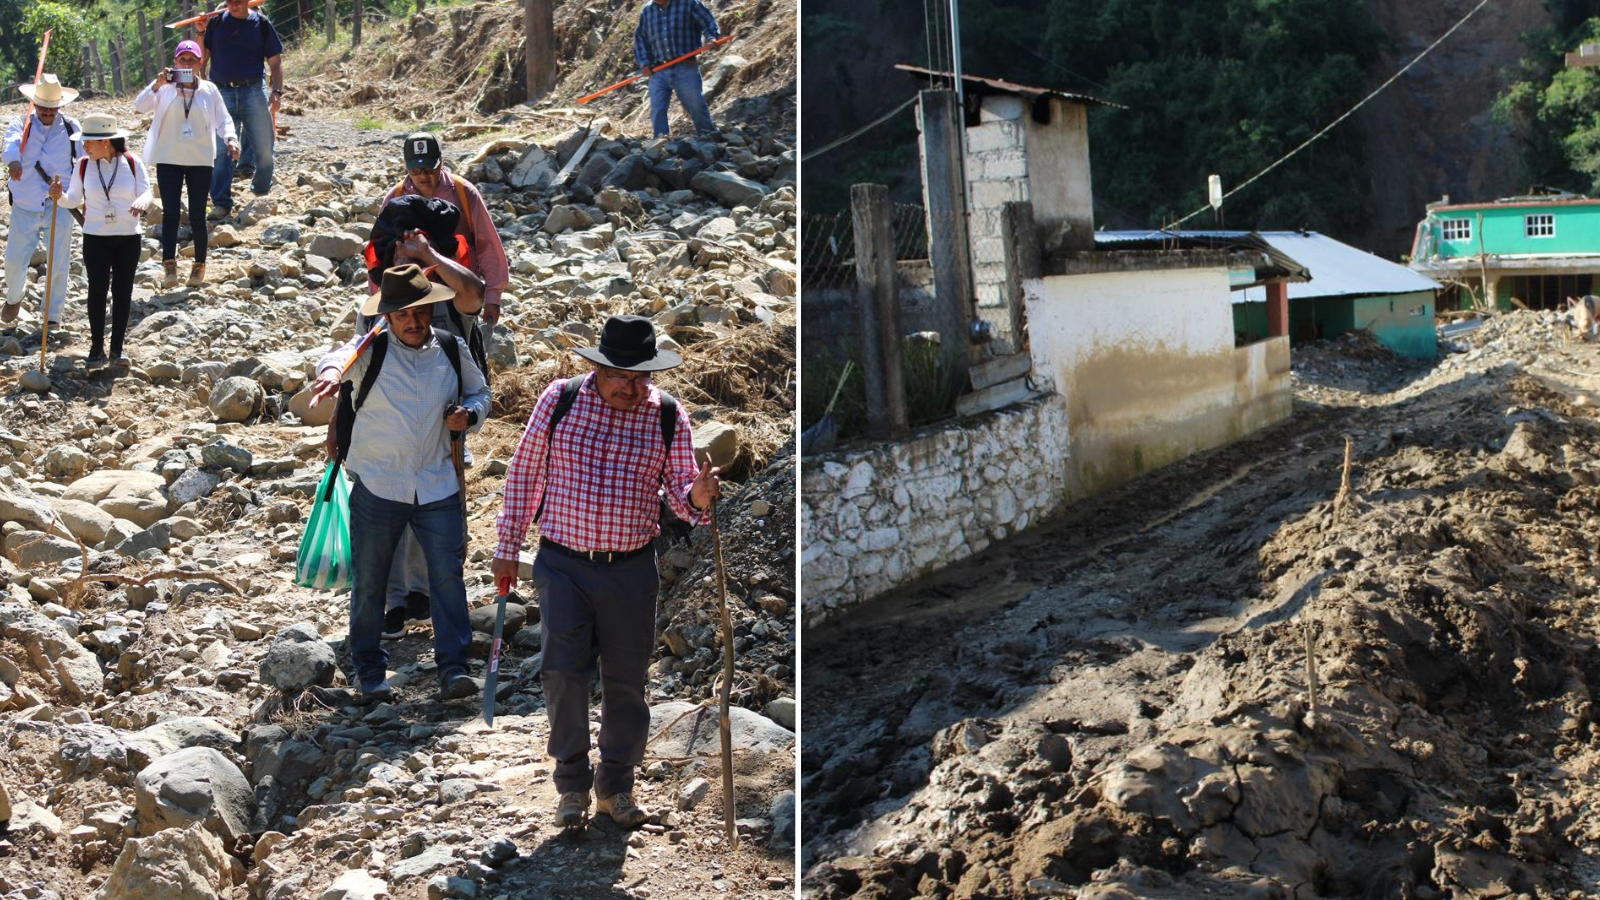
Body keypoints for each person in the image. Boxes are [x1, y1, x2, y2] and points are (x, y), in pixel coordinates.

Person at [491, 315, 722, 829]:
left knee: (626, 682)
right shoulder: (561, 398)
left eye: (641, 377)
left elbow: (684, 494)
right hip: (562, 564)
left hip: (631, 569)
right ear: (597, 368)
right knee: (563, 676)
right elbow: (526, 473)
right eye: (620, 375)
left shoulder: (666, 414)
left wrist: (698, 496)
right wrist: (508, 546)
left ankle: (615, 786)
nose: (630, 386)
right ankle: (571, 783)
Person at [308, 264, 489, 704]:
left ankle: (454, 669)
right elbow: (338, 357)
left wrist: (469, 416)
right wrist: (331, 376)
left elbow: (480, 393)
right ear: (386, 316)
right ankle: (370, 671)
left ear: (431, 310)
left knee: (447, 576)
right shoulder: (371, 349)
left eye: (420, 312)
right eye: (402, 313)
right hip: (378, 483)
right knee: (370, 580)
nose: (413, 321)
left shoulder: (450, 347)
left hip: (437, 483)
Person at [347, 194, 488, 640]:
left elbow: (475, 293)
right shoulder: (380, 303)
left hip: (441, 435)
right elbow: (354, 367)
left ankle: (424, 598)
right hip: (385, 439)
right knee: (389, 517)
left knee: (434, 520)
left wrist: (428, 255)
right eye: (396, 253)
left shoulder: (449, 304)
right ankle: (394, 603)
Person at [135, 39, 241, 289]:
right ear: (175, 62)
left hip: (199, 159)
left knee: (196, 215)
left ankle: (199, 265)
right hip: (169, 158)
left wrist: (231, 139)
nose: (186, 64)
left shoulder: (209, 90)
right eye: (182, 60)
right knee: (170, 214)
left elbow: (223, 119)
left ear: (199, 63)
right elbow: (140, 106)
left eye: (191, 60)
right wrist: (156, 84)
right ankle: (169, 265)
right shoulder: (165, 88)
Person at [49, 114, 152, 369]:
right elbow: (73, 199)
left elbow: (147, 190)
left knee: (122, 291)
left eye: (89, 142)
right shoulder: (83, 165)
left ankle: (117, 348)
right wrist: (59, 196)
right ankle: (96, 348)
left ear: (105, 141)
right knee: (96, 290)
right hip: (95, 237)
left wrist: (142, 202)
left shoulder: (132, 161)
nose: (84, 146)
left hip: (129, 237)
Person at [382, 133, 509, 336]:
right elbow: (380, 252)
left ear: (441, 163)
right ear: (406, 167)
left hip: (459, 291)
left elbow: (487, 244)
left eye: (430, 168)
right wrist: (381, 301)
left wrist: (493, 296)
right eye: (416, 170)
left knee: (459, 350)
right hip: (412, 297)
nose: (424, 176)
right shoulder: (395, 198)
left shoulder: (463, 192)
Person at [1, 74, 81, 328]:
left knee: (58, 262)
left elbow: (84, 160)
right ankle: (15, 296)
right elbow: (11, 144)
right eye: (43, 107)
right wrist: (14, 162)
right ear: (35, 105)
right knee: (13, 261)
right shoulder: (20, 123)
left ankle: (52, 317)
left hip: (60, 203)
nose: (48, 112)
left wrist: (86, 194)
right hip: (26, 203)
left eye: (52, 108)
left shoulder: (71, 127)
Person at [197, 0, 284, 218]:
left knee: (264, 149)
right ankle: (221, 202)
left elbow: (275, 61)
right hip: (221, 92)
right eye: (230, 0)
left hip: (253, 90)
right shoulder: (215, 23)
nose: (233, 4)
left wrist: (277, 92)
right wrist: (200, 33)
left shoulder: (261, 24)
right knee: (220, 150)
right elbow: (201, 58)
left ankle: (261, 191)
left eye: (238, 0)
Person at [632, 0, 720, 138]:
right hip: (658, 69)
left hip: (685, 66)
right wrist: (644, 63)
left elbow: (708, 22)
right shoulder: (647, 11)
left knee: (696, 105)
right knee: (657, 109)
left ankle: (709, 138)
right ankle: (660, 144)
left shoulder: (688, 3)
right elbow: (640, 39)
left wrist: (711, 37)